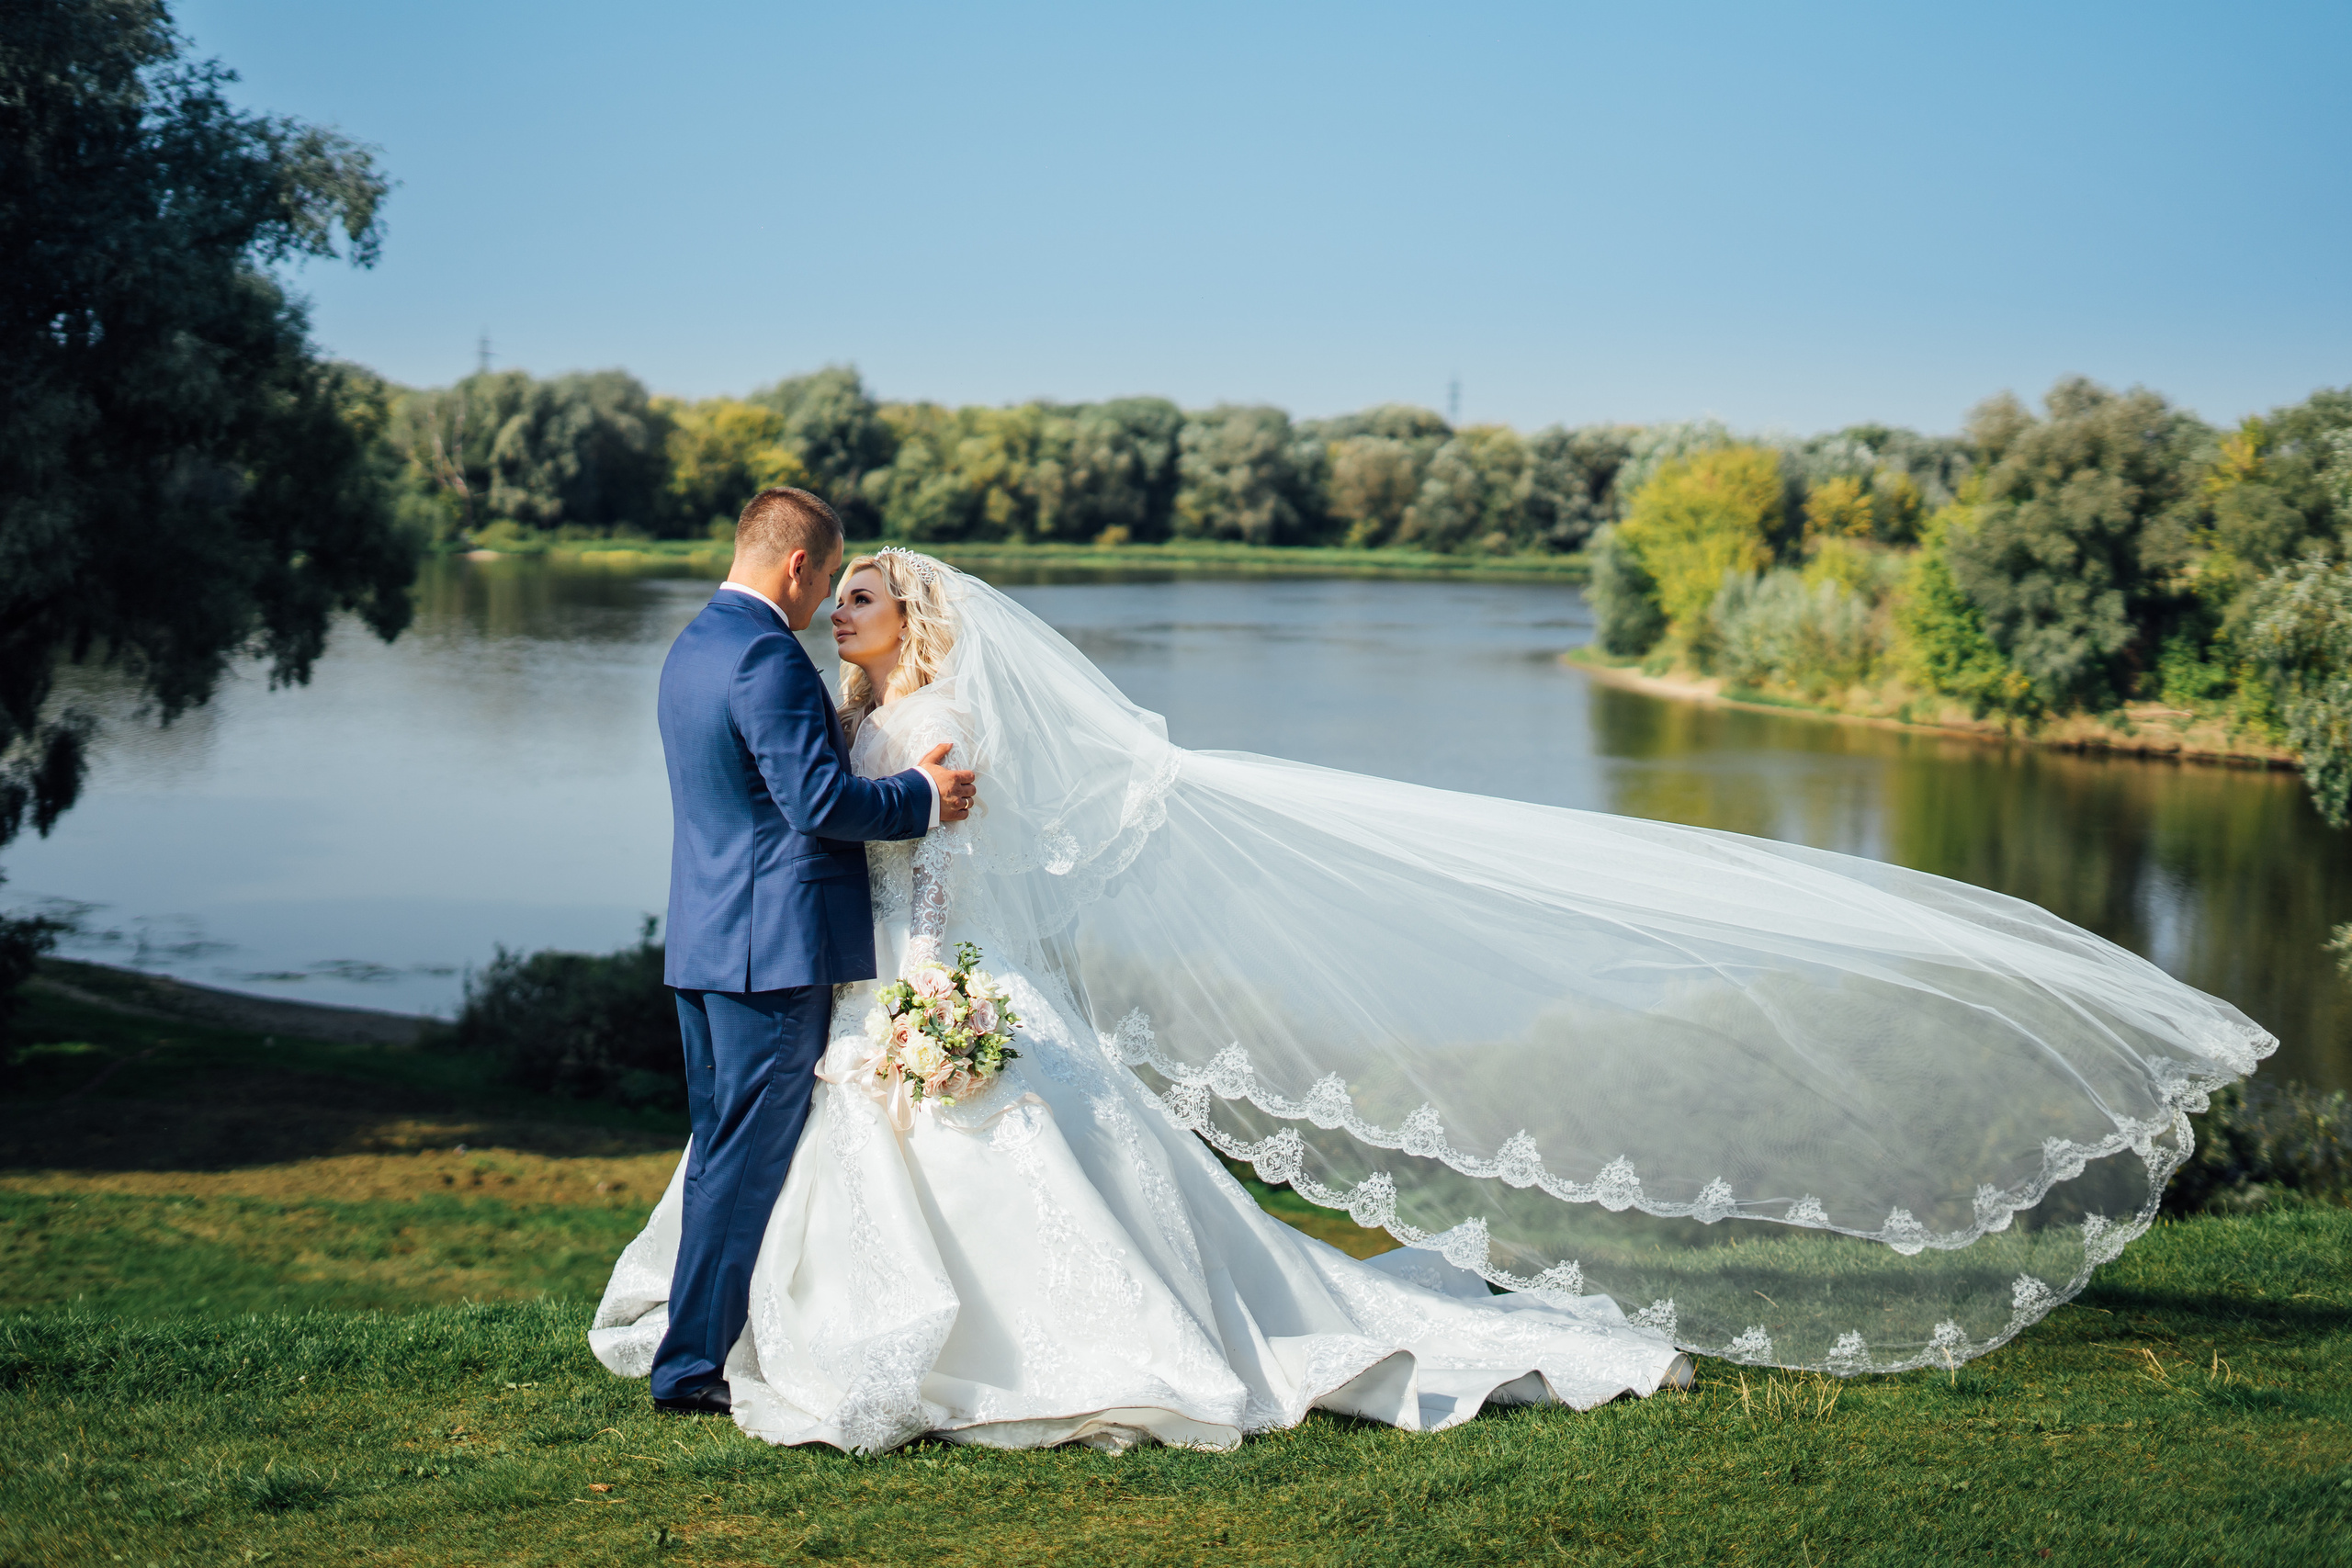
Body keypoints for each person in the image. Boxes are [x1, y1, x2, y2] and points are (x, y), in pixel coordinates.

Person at [595, 544, 2272, 1451]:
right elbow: (826, 809)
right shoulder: (832, 702)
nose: (846, 616)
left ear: (910, 618)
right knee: (826, 1150)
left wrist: (929, 949)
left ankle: (939, 1345)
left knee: (988, 1148)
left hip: (936, 989)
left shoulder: (932, 730)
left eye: (866, 600)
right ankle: (739, 1338)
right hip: (874, 992)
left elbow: (893, 832)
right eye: (844, 596)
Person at [641, 490, 975, 1416]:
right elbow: (819, 805)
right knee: (744, 1162)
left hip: (707, 943)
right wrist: (920, 792)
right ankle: (691, 1369)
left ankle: (698, 1345)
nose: (825, 598)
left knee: (721, 1155)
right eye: (829, 578)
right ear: (798, 566)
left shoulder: (694, 647)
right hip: (772, 954)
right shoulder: (770, 659)